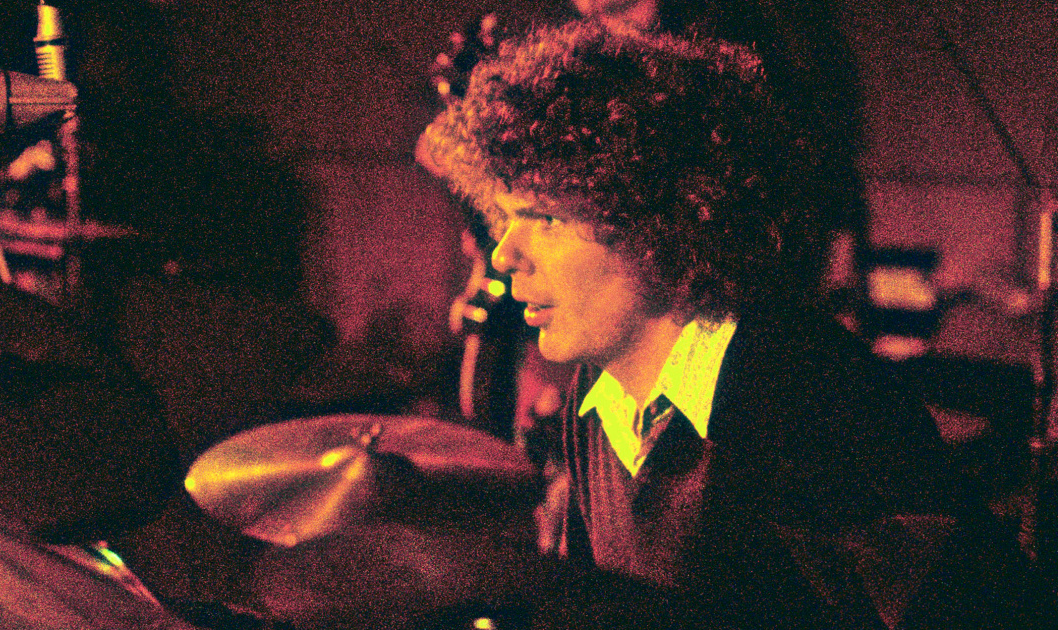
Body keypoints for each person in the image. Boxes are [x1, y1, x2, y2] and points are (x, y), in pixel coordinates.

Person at [417, 19, 1039, 629]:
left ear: (660, 219)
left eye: (547, 219)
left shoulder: (814, 407)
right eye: (506, 217)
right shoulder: (595, 403)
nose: (506, 253)